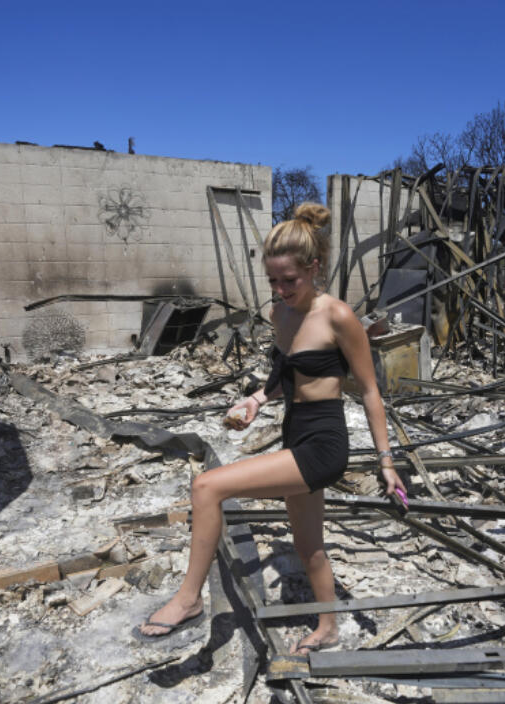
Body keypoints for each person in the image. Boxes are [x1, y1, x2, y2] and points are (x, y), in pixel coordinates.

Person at [137, 203, 407, 654]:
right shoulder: (280, 316)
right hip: (294, 432)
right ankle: (328, 628)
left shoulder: (337, 316)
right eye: (273, 282)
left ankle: (188, 601)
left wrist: (386, 461)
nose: (280, 290)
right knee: (308, 546)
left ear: (314, 268)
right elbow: (286, 376)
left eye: (290, 281)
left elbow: (370, 390)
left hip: (323, 444)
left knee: (207, 487)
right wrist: (257, 399)